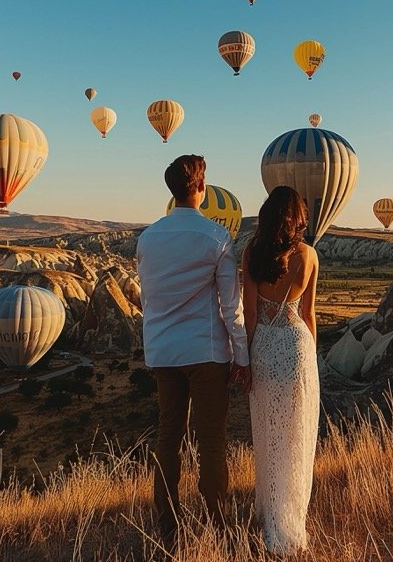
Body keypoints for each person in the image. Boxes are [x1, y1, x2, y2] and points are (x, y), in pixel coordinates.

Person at [136, 155, 249, 551]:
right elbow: (230, 305)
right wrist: (243, 356)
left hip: (164, 352)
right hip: (206, 353)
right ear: (201, 187)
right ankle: (219, 527)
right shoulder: (216, 237)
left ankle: (168, 526)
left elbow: (147, 297)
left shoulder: (147, 238)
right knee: (212, 442)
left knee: (169, 438)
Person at [243, 185, 320, 556]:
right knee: (296, 436)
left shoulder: (253, 253)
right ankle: (291, 521)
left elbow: (252, 314)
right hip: (297, 346)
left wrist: (244, 358)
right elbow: (309, 314)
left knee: (269, 435)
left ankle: (270, 515)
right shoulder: (310, 256)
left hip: (265, 348)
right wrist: (312, 358)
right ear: (298, 218)